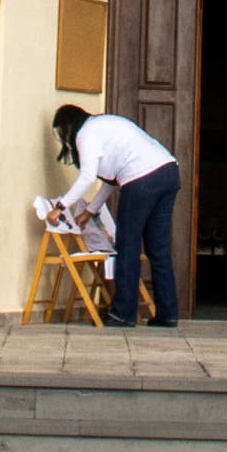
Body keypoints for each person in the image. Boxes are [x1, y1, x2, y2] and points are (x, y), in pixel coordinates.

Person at [48, 105, 181, 327]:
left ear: (69, 126)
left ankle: (123, 314)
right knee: (158, 250)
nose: (65, 139)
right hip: (168, 173)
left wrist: (60, 207)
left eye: (62, 133)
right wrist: (90, 211)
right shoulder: (105, 125)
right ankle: (168, 314)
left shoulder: (85, 134)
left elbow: (88, 177)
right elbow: (111, 180)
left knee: (127, 246)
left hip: (141, 179)